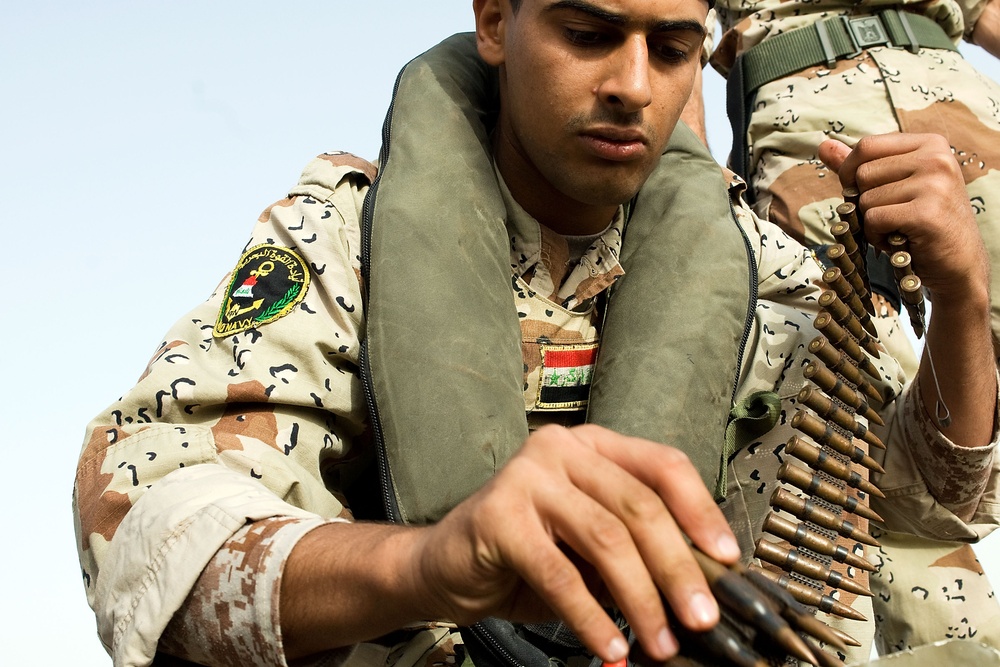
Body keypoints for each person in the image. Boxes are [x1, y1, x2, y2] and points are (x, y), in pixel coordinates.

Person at [72, 1, 1000, 666]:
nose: (634, 86)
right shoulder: (341, 236)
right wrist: (428, 564)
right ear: (494, 24)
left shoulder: (763, 261)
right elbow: (147, 526)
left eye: (671, 47)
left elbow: (925, 507)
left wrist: (959, 301)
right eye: (589, 34)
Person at [704, 0, 1000, 649]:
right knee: (856, 382)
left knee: (952, 433)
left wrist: (964, 295)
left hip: (968, 111)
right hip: (812, 114)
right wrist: (691, 194)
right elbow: (658, 28)